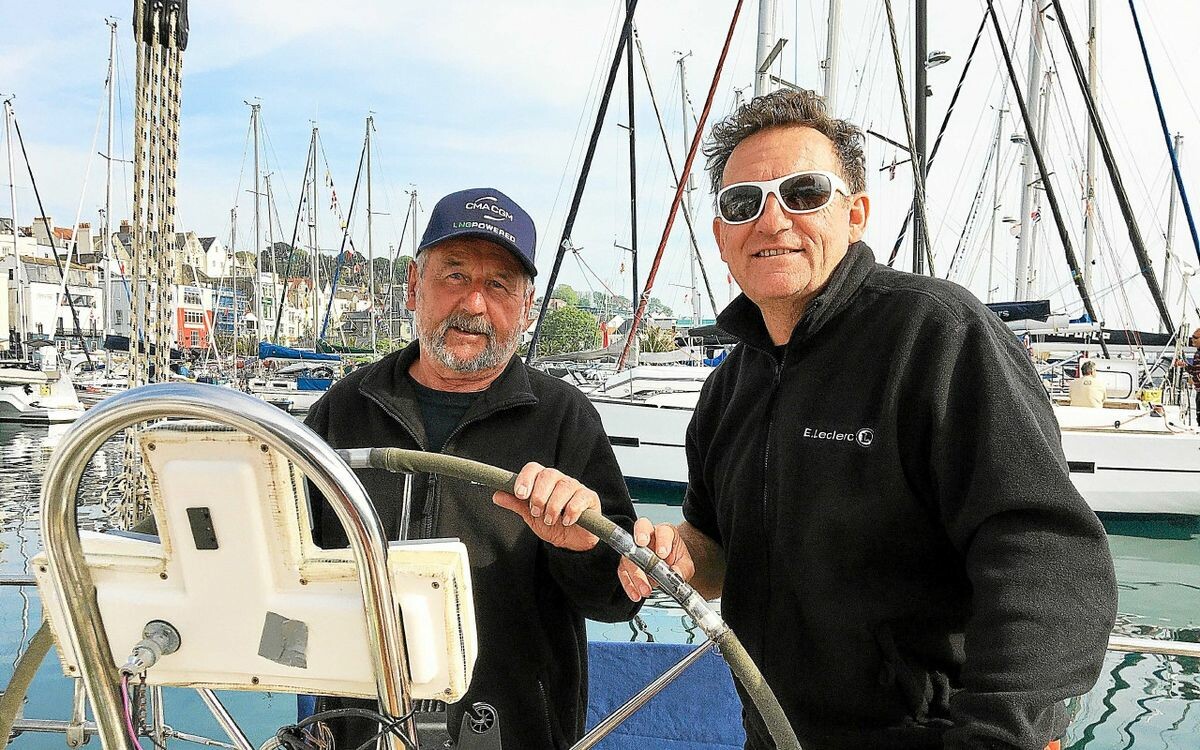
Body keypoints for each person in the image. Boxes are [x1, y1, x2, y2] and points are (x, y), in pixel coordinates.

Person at [619, 90, 1118, 750]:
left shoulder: (937, 334)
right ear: (721, 236)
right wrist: (678, 556)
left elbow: (1045, 558)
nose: (772, 221)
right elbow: (718, 551)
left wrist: (1003, 735)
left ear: (854, 214)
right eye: (744, 203)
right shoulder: (728, 386)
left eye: (803, 193)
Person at [305, 187, 640, 749]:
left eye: (499, 286)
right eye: (455, 276)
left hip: (513, 732)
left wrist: (578, 544)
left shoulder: (564, 418)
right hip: (356, 732)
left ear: (527, 309)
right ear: (414, 286)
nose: (475, 305)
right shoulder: (344, 409)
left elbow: (615, 594)